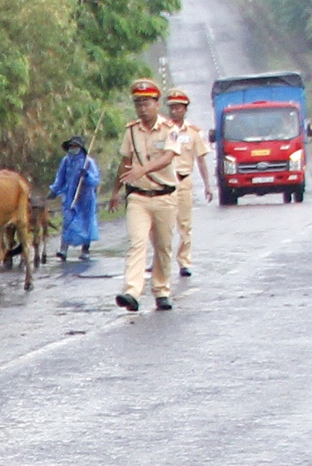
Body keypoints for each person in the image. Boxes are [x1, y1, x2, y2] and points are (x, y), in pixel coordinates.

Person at [109, 79, 182, 312]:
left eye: (146, 103)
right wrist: (115, 192)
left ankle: (161, 290)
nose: (142, 108)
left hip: (164, 197)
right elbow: (125, 162)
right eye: (138, 103)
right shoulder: (131, 131)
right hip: (138, 197)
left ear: (157, 103)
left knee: (162, 246)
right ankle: (132, 291)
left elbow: (169, 157)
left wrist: (144, 169)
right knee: (136, 243)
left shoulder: (171, 129)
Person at [164, 88, 214, 277]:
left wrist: (208, 186)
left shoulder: (193, 133)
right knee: (162, 225)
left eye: (178, 108)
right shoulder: (162, 130)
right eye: (171, 108)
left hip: (183, 181)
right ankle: (162, 260)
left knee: (184, 225)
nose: (174, 111)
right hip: (164, 182)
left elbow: (201, 160)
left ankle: (184, 261)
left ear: (185, 109)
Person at [49, 136, 100, 261]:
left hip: (86, 198)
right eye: (71, 146)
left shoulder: (88, 162)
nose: (73, 149)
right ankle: (63, 250)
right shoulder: (66, 161)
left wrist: (86, 175)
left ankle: (85, 250)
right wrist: (54, 190)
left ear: (81, 148)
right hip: (70, 197)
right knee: (67, 222)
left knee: (86, 222)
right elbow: (60, 178)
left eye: (75, 146)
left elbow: (95, 180)